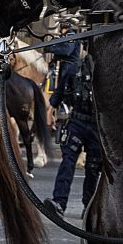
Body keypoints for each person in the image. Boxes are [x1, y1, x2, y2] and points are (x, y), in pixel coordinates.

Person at [49, 40, 101, 214]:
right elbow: (60, 91)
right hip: (77, 121)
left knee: (93, 168)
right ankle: (59, 202)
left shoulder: (106, 71)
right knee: (68, 162)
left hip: (97, 124)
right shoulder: (74, 68)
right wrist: (51, 108)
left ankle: (89, 207)